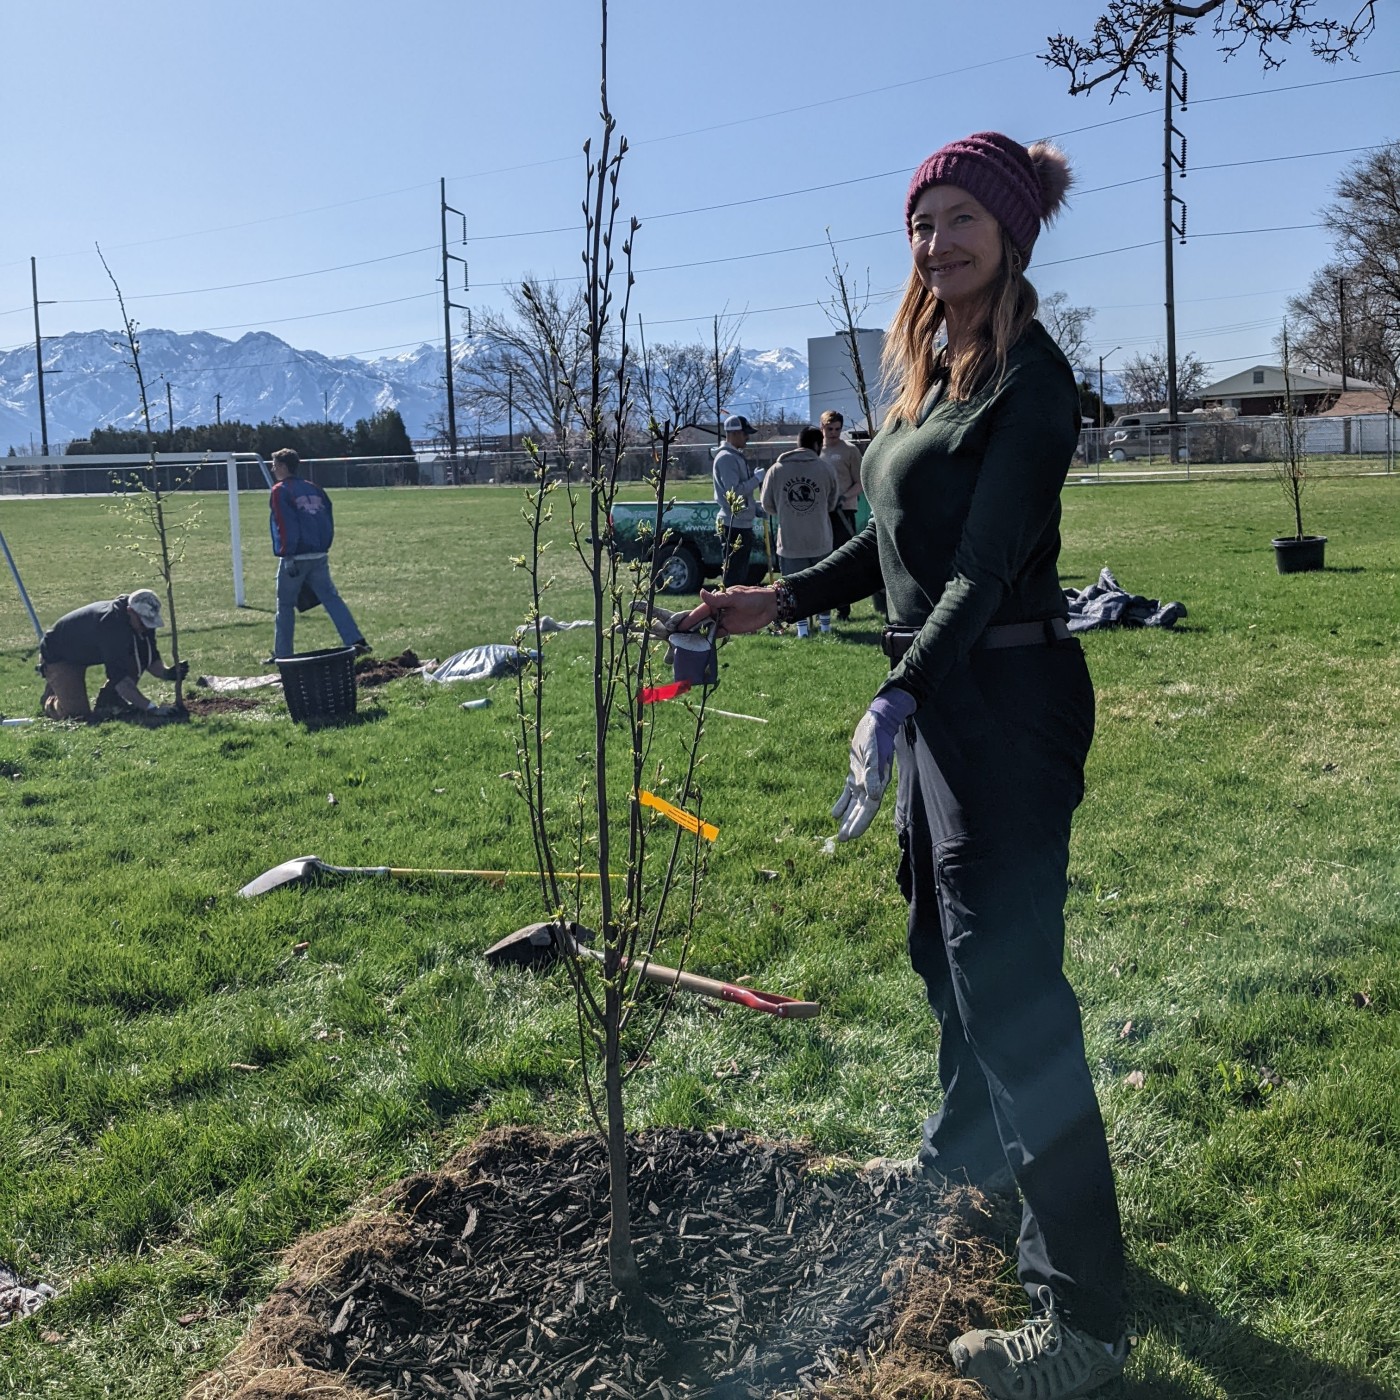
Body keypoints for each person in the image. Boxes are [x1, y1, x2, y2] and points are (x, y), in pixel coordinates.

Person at [677, 132, 1128, 1399]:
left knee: (1013, 993)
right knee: (943, 949)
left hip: (1008, 701)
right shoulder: (931, 372)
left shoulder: (1029, 383)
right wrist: (776, 597)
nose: (936, 243)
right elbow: (893, 544)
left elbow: (982, 573)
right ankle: (963, 1165)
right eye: (921, 223)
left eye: (959, 220)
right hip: (939, 700)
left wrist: (897, 689)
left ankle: (1082, 1317)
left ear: (1010, 232)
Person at [268, 448, 369, 663]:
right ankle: (356, 640)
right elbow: (327, 518)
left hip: (296, 556)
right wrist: (324, 546)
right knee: (331, 598)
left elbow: (285, 524)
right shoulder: (314, 488)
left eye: (275, 465)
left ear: (284, 467)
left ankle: (283, 653)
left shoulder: (280, 491)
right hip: (319, 553)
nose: (272, 469)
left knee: (284, 605)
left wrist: (288, 554)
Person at [38, 589, 186, 720]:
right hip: (60, 655)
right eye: (143, 623)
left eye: (150, 623)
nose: (146, 627)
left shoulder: (142, 622)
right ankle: (50, 700)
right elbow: (119, 678)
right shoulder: (111, 627)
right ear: (130, 611)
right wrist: (152, 708)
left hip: (88, 651)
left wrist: (167, 673)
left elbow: (148, 657)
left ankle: (109, 701)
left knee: (132, 660)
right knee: (78, 714)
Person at [760, 426, 837, 637]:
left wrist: (787, 513)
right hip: (820, 538)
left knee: (794, 588)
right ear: (816, 444)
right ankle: (825, 626)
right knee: (823, 585)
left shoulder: (776, 470)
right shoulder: (825, 468)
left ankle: (802, 630)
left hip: (790, 542)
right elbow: (832, 502)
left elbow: (767, 504)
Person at [710, 414, 765, 589]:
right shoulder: (726, 457)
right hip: (733, 525)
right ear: (733, 434)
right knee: (733, 576)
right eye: (744, 433)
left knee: (740, 574)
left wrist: (755, 508)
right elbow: (732, 492)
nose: (747, 437)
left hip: (741, 523)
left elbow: (743, 494)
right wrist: (756, 479)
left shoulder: (734, 456)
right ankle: (726, 611)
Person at [819, 410, 864, 620]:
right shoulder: (815, 450)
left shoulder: (850, 451)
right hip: (820, 513)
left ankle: (843, 609)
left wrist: (844, 497)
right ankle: (822, 605)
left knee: (841, 560)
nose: (834, 433)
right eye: (830, 429)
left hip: (843, 512)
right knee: (822, 559)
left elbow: (860, 482)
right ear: (822, 428)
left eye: (838, 429)